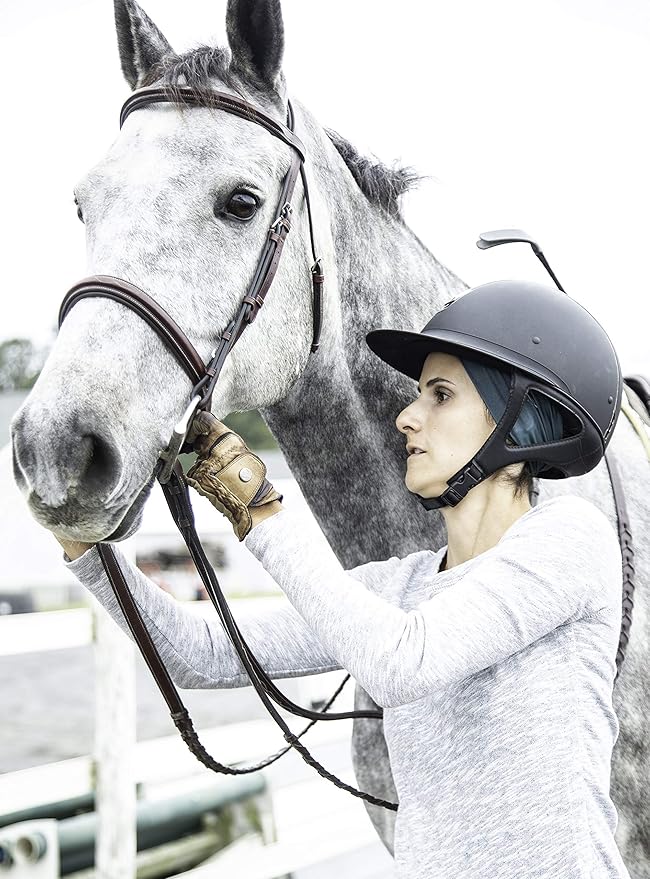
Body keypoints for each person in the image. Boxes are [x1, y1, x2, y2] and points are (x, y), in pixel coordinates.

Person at [54, 279, 629, 879]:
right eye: (417, 394)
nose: (407, 417)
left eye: (440, 395)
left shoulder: (571, 540)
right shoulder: (397, 590)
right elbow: (203, 656)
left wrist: (261, 511)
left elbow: (406, 662)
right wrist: (84, 542)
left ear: (521, 420)